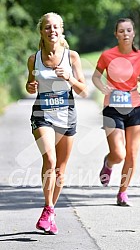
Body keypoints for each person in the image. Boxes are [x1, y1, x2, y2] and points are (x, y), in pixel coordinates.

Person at [26, 12, 87, 234]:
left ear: (61, 30)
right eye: (47, 27)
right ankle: (48, 208)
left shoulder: (72, 57)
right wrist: (30, 87)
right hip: (42, 114)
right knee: (50, 159)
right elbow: (30, 84)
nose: (52, 31)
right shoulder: (34, 58)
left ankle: (50, 211)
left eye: (56, 27)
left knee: (60, 169)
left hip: (67, 115)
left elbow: (84, 91)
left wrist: (69, 78)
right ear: (41, 31)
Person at [92, 18, 140, 206]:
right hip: (113, 108)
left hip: (135, 108)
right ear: (116, 34)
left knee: (132, 154)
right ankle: (109, 163)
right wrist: (102, 87)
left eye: (128, 30)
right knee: (118, 153)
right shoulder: (107, 55)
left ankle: (123, 192)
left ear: (133, 33)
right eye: (121, 31)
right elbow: (96, 77)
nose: (125, 34)